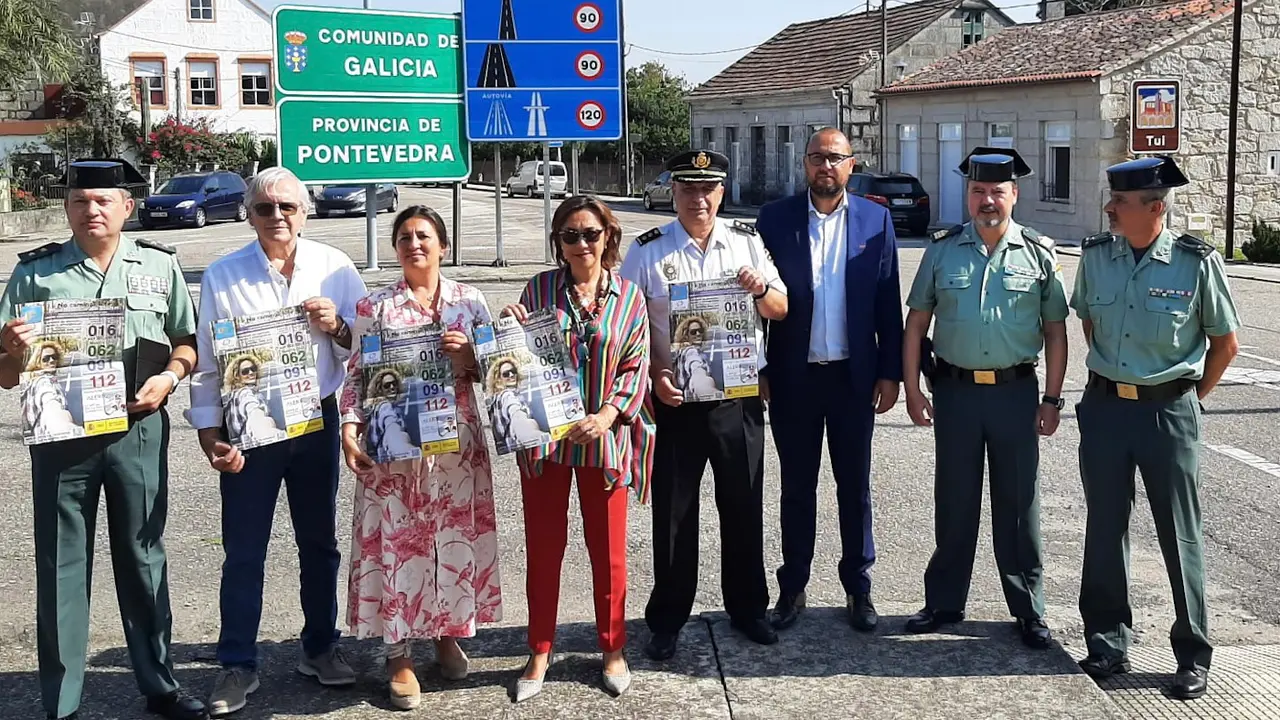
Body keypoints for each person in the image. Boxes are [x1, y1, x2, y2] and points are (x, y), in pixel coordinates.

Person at [0, 159, 206, 720]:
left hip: (138, 431)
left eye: (102, 201)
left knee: (143, 558)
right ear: (67, 208)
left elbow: (187, 341)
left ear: (126, 207)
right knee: (62, 565)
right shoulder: (35, 274)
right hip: (63, 438)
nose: (91, 210)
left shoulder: (159, 267)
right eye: (79, 201)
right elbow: (4, 371)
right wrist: (14, 351)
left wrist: (169, 378)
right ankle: (62, 701)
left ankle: (160, 685)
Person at [188, 166, 367, 717]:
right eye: (264, 208)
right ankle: (237, 664)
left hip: (315, 418)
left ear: (305, 211)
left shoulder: (335, 267)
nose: (277, 217)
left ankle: (320, 647)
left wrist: (337, 326)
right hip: (252, 426)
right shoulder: (223, 274)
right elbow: (210, 365)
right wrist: (209, 435)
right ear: (249, 214)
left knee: (320, 544)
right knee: (244, 549)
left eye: (287, 207)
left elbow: (367, 348)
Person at [1071, 156, 1239, 700]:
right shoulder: (1097, 257)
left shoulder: (1195, 262)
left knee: (1179, 532)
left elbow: (1224, 344)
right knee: (1103, 528)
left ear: (1155, 208)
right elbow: (1090, 324)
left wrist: (1184, 399)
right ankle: (1106, 643)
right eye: (1112, 199)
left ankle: (1192, 652)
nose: (1109, 208)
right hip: (1104, 408)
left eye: (1119, 202)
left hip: (1168, 411)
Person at [621, 149, 788, 659]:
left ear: (721, 191)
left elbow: (780, 308)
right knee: (674, 513)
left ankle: (747, 608)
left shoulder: (746, 242)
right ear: (673, 191)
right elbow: (626, 327)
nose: (699, 198)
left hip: (736, 402)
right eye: (688, 188)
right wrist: (654, 375)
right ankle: (668, 617)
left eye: (708, 188)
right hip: (676, 399)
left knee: (742, 504)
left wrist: (760, 289)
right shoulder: (647, 251)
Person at [900, 147, 1067, 648]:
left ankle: (1029, 608)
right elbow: (916, 325)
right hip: (955, 393)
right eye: (978, 191)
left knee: (1019, 505)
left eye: (997, 191)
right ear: (968, 196)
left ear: (1014, 195)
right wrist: (912, 388)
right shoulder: (943, 250)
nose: (987, 200)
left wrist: (1053, 398)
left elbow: (1056, 332)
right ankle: (944, 602)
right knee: (954, 502)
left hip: (1016, 393)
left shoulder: (1038, 254)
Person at [339, 206, 502, 711]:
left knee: (451, 541)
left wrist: (468, 359)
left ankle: (446, 634)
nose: (415, 244)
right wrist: (350, 430)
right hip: (396, 450)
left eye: (424, 236)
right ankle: (398, 652)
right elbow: (356, 375)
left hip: (457, 448)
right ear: (396, 247)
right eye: (405, 237)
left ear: (443, 246)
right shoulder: (375, 307)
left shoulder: (470, 303)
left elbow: (500, 376)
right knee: (398, 542)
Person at [502, 196, 653, 701]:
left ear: (608, 236)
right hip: (545, 444)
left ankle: (612, 649)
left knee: (608, 553)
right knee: (544, 549)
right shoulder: (539, 289)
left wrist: (608, 415)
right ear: (558, 242)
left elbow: (637, 366)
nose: (582, 243)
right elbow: (515, 364)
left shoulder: (630, 297)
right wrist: (505, 332)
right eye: (570, 235)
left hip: (603, 441)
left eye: (590, 233)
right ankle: (539, 649)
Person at [754, 128, 903, 633]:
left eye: (835, 159)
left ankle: (858, 588)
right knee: (796, 488)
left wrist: (891, 373)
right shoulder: (774, 221)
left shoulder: (876, 220)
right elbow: (755, 308)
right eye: (817, 158)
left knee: (853, 487)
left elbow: (888, 302)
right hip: (794, 379)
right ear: (805, 164)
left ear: (851, 165)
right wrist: (760, 368)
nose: (825, 167)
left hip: (853, 379)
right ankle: (792, 587)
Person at [484, 357, 545, 448]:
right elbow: (516, 414)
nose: (511, 375)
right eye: (506, 374)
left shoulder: (497, 399)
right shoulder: (507, 396)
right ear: (498, 379)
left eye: (513, 371)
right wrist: (532, 435)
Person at [221, 355, 279, 444]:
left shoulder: (233, 395)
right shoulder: (244, 393)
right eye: (245, 371)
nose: (251, 373)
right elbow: (253, 410)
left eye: (253, 368)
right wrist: (266, 429)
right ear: (237, 376)